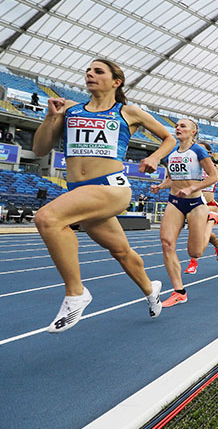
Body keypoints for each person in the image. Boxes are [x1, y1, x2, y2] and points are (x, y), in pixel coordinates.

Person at [32, 58, 174, 333]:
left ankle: (76, 294)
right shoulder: (69, 110)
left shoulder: (129, 112)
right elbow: (39, 149)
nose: (89, 74)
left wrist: (156, 158)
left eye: (98, 71)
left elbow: (168, 138)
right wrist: (52, 117)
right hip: (79, 191)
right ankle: (151, 289)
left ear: (116, 81)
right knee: (121, 251)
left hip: (111, 186)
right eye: (87, 70)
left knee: (47, 218)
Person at [150, 120, 218, 306]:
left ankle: (211, 219)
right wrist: (160, 186)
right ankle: (179, 291)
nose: (178, 128)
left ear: (193, 131)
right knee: (166, 243)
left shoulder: (199, 151)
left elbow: (214, 177)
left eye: (183, 126)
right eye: (177, 126)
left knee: (194, 252)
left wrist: (192, 188)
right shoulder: (171, 152)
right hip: (174, 202)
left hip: (195, 203)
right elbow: (172, 178)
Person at [184, 143, 218, 275]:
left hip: (211, 204)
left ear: (208, 153)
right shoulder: (193, 166)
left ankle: (193, 262)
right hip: (196, 204)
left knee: (198, 234)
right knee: (206, 233)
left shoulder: (217, 167)